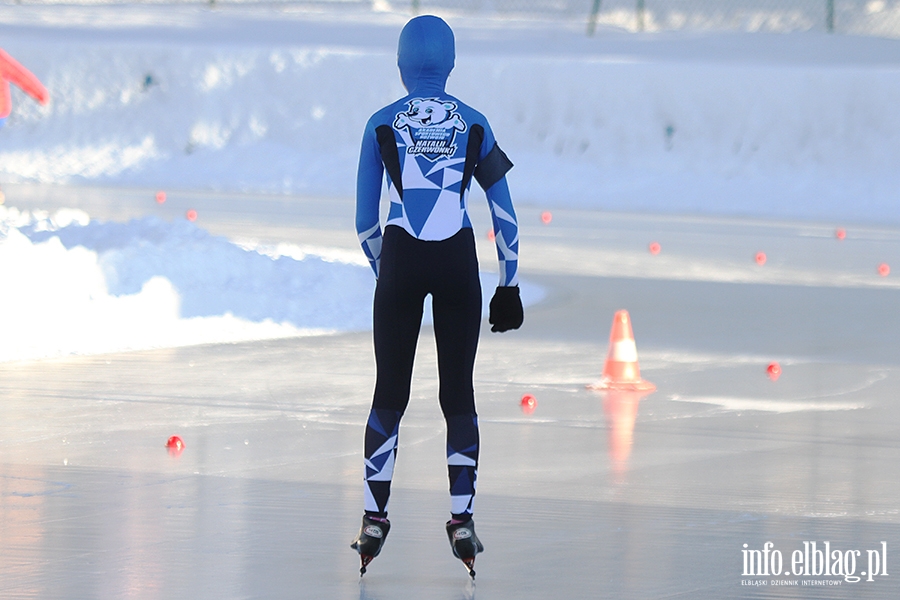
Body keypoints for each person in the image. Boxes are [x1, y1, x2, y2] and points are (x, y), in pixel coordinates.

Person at [350, 15, 523, 578]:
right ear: (451, 65)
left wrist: (386, 270)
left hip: (401, 258)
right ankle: (462, 518)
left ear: (400, 66)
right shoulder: (475, 123)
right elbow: (506, 216)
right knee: (459, 396)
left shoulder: (380, 123)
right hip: (457, 264)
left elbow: (363, 223)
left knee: (388, 395)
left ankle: (375, 518)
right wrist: (508, 285)